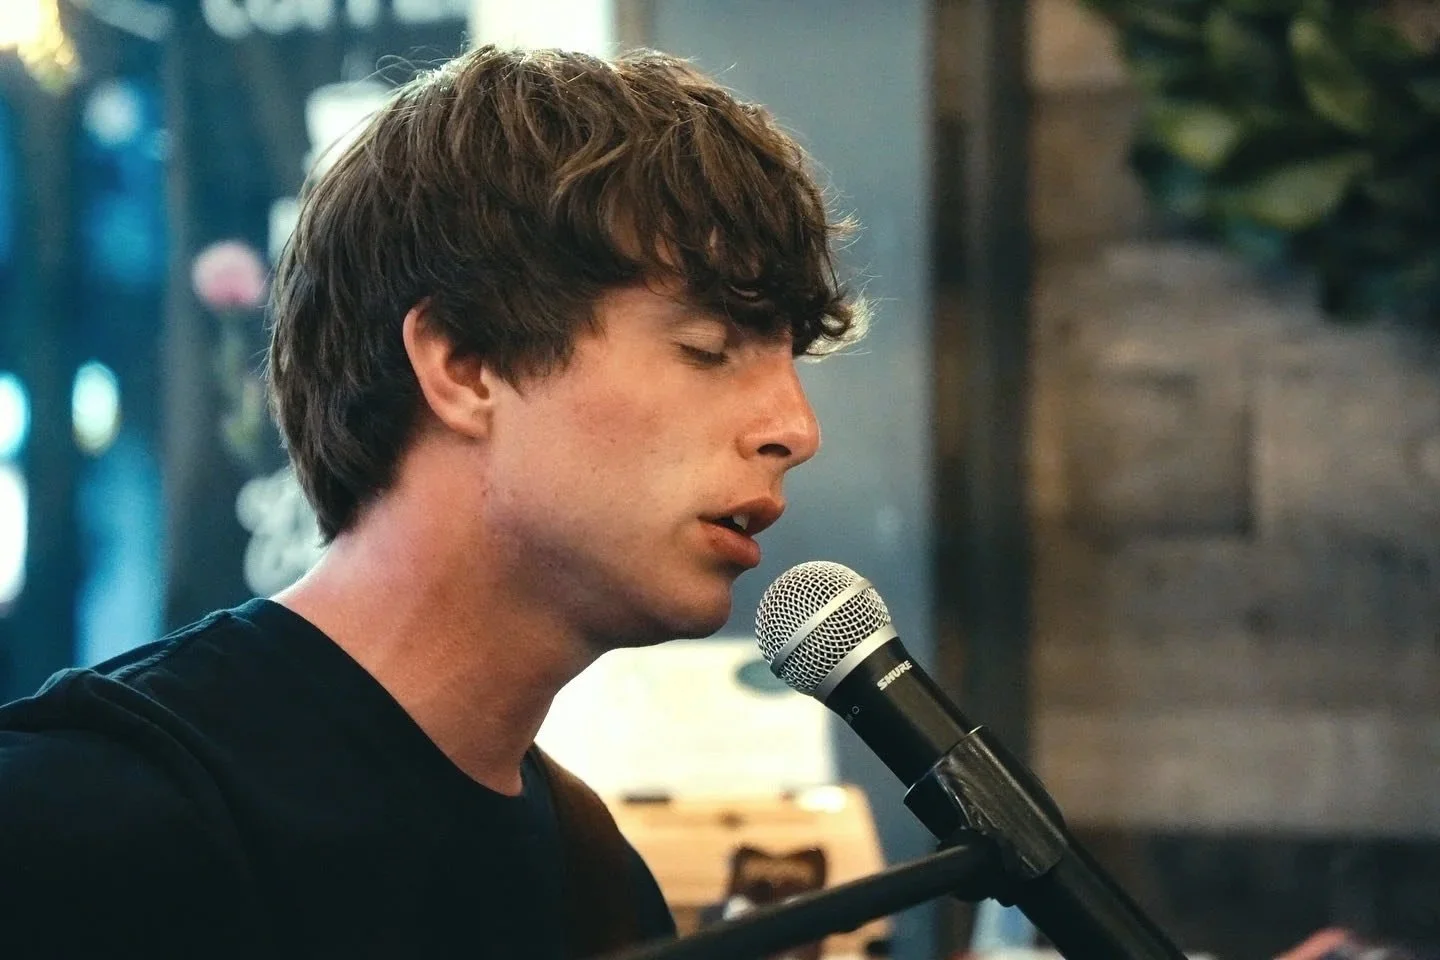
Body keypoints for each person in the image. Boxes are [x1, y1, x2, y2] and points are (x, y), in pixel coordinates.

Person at [0, 44, 862, 957]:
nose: (794, 429)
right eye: (708, 346)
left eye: (789, 363)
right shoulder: (89, 818)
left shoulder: (596, 877)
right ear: (464, 364)